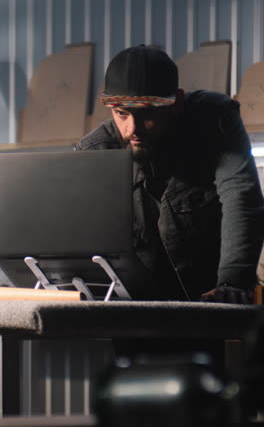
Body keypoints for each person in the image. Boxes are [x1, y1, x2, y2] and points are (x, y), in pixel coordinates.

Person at [75, 45, 264, 303]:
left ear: (176, 102)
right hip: (134, 309)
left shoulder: (213, 120)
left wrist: (233, 281)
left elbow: (240, 196)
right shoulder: (95, 151)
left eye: (148, 114)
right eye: (121, 113)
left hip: (209, 299)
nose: (133, 129)